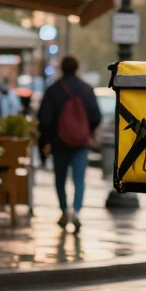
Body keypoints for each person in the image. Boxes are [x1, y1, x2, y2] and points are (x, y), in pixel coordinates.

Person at [38, 56, 101, 232]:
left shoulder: (54, 90)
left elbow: (45, 118)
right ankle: (77, 211)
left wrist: (47, 140)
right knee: (79, 179)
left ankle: (64, 209)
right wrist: (87, 132)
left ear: (61, 68)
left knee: (60, 179)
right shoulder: (86, 90)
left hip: (59, 144)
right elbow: (96, 116)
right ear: (77, 68)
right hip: (80, 143)